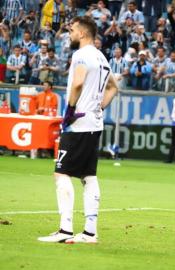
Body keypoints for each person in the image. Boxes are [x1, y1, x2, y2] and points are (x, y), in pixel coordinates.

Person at [38, 16, 119, 244]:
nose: (70, 34)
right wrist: (99, 107)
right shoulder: (102, 57)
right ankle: (90, 232)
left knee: (61, 173)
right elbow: (114, 87)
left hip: (79, 123)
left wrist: (71, 110)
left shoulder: (82, 55)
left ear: (82, 33)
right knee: (88, 176)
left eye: (72, 30)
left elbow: (77, 83)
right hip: (94, 123)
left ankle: (65, 230)